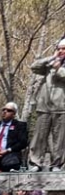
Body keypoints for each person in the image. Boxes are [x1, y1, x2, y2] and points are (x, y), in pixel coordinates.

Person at [28, 38, 65, 172]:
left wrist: (58, 70)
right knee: (39, 136)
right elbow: (34, 66)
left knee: (59, 139)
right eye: (59, 48)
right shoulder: (50, 63)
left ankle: (56, 164)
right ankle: (35, 162)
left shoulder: (57, 67)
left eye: (63, 49)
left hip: (61, 107)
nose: (61, 51)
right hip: (44, 105)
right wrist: (52, 58)